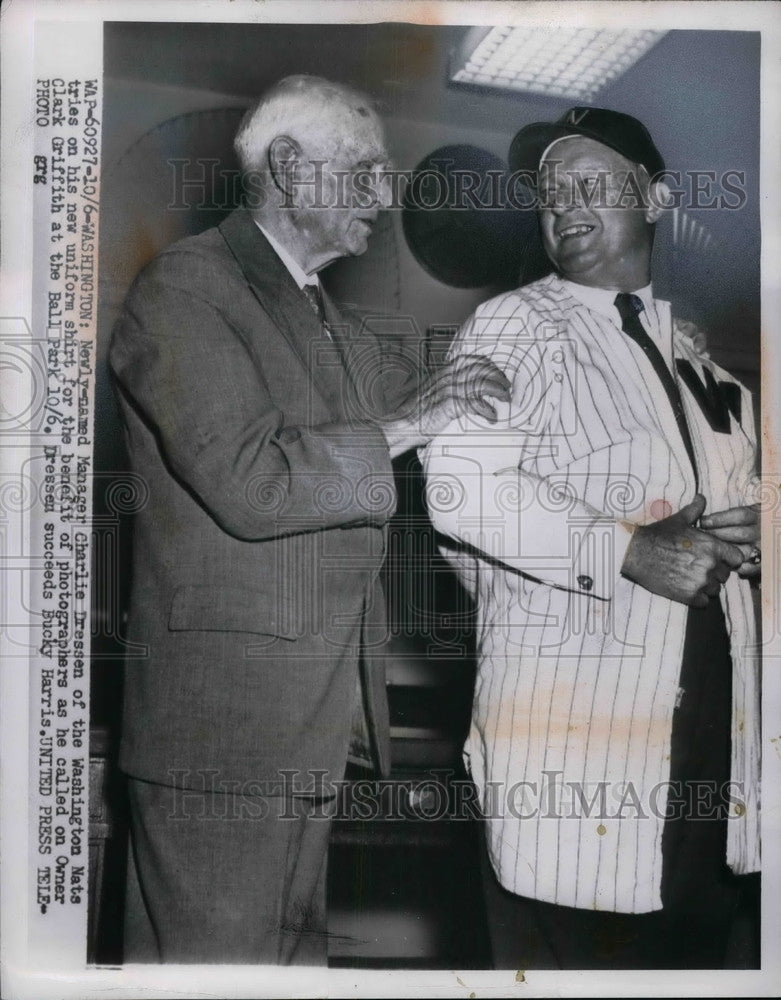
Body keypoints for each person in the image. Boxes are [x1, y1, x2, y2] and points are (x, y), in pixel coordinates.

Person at [109, 74, 509, 965]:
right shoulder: (186, 289)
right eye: (366, 168)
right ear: (289, 167)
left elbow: (424, 399)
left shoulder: (314, 310)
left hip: (299, 730)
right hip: (221, 738)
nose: (387, 191)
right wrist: (414, 423)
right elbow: (254, 483)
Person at [421, 107, 761, 969]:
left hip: (715, 742)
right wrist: (628, 549)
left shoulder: (703, 366)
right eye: (547, 192)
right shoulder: (513, 326)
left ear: (654, 197)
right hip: (578, 737)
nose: (562, 204)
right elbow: (462, 490)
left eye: (589, 183)